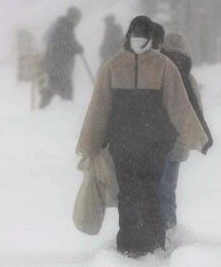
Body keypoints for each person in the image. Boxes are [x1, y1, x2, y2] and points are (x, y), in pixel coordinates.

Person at [76, 16, 208, 257]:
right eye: (135, 35)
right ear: (129, 36)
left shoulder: (163, 67)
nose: (139, 41)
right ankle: (128, 243)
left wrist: (196, 136)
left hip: (155, 144)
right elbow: (99, 108)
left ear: (149, 39)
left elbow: (179, 105)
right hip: (122, 144)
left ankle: (152, 242)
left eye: (143, 36)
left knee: (149, 191)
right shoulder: (113, 66)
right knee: (127, 193)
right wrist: (89, 144)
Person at [156, 29, 214, 229]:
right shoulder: (188, 79)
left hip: (155, 141)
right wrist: (201, 137)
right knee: (167, 191)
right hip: (176, 144)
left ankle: (158, 231)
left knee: (154, 190)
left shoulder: (158, 73)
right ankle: (169, 229)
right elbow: (196, 110)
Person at [40, 7, 84, 109]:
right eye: (78, 18)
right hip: (59, 66)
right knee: (56, 89)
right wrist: (76, 48)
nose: (78, 21)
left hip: (62, 66)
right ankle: (43, 109)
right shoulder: (64, 28)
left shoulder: (66, 27)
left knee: (64, 92)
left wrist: (76, 47)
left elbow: (69, 42)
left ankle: (61, 112)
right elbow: (65, 44)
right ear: (72, 17)